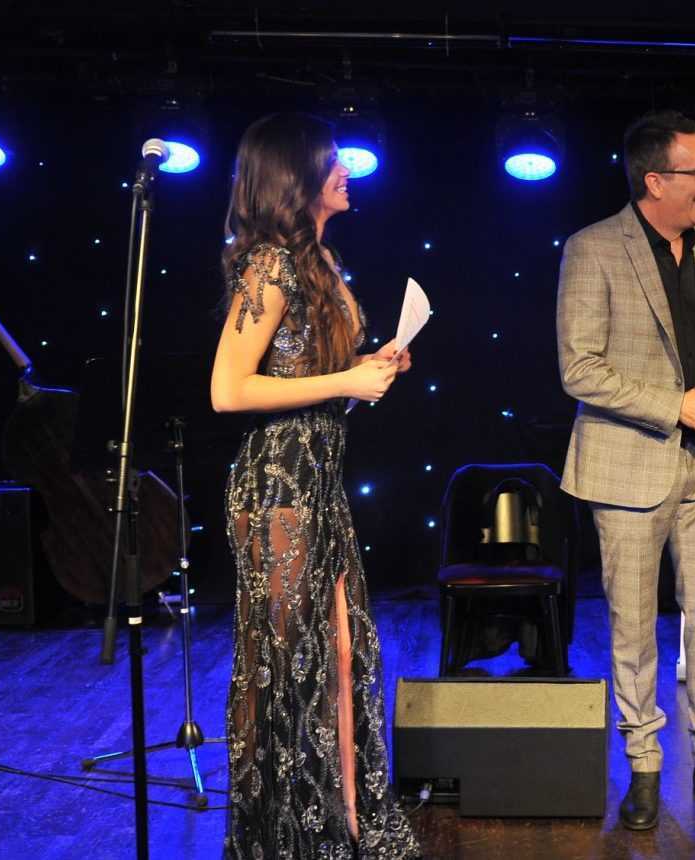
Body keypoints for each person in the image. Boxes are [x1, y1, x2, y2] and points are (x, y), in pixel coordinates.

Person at [556, 109, 695, 831]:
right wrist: (675, 406)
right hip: (626, 464)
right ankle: (645, 765)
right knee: (632, 625)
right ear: (655, 180)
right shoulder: (593, 249)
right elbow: (579, 368)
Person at [209, 112, 419, 858]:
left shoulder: (320, 260)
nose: (346, 172)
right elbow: (229, 390)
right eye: (332, 162)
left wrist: (371, 367)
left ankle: (345, 822)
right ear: (295, 176)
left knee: (341, 655)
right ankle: (282, 835)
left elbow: (310, 375)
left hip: (319, 480)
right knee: (285, 669)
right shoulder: (269, 265)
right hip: (277, 489)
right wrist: (345, 381)